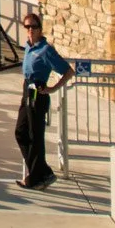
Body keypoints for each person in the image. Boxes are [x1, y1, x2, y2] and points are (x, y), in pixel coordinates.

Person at [14, 11, 74, 190]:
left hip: (38, 92)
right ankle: (42, 172)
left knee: (35, 136)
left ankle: (36, 177)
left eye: (33, 26)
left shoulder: (45, 50)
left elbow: (68, 71)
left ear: (40, 29)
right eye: (27, 27)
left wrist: (52, 89)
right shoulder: (28, 46)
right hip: (28, 91)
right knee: (21, 132)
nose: (30, 30)